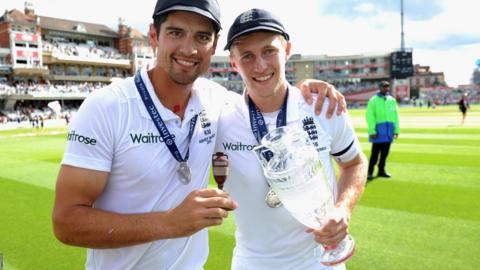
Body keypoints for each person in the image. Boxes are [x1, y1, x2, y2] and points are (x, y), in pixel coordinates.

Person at [52, 1, 345, 269]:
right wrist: (169, 223)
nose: (189, 49)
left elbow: (266, 95)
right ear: (154, 35)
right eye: (176, 33)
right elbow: (66, 223)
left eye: (202, 37)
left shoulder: (216, 100)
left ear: (215, 45)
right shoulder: (106, 107)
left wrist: (306, 89)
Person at [215, 9, 367, 269]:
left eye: (269, 51)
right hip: (252, 263)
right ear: (233, 62)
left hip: (319, 262)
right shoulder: (220, 117)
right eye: (247, 56)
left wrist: (343, 209)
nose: (260, 65)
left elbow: (354, 163)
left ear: (287, 51)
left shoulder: (322, 107)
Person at [366, 80, 400, 180]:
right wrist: (372, 131)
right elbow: (370, 116)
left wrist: (396, 130)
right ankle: (370, 172)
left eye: (387, 87)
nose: (386, 88)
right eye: (384, 87)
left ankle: (381, 170)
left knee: (385, 154)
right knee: (374, 154)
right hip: (378, 131)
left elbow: (395, 116)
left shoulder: (391, 100)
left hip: (389, 131)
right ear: (380, 88)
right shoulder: (373, 100)